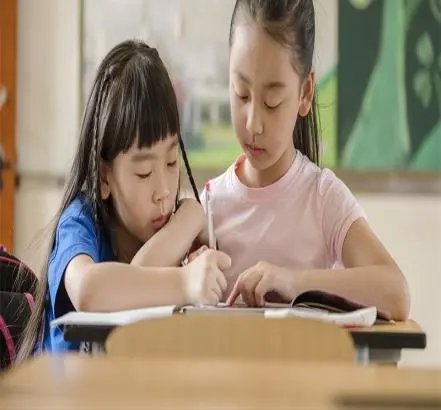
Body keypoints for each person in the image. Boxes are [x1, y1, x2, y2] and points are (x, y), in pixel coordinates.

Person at [17, 40, 230, 358]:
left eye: (172, 162)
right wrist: (185, 282)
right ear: (104, 176)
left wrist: (191, 221)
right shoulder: (79, 222)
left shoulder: (174, 225)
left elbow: (141, 274)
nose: (164, 190)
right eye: (144, 173)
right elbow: (90, 290)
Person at [200, 0, 410, 320]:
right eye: (241, 93)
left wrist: (293, 281)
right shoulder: (210, 204)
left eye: (272, 102)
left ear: (306, 93)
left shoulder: (322, 198)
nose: (253, 124)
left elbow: (396, 293)